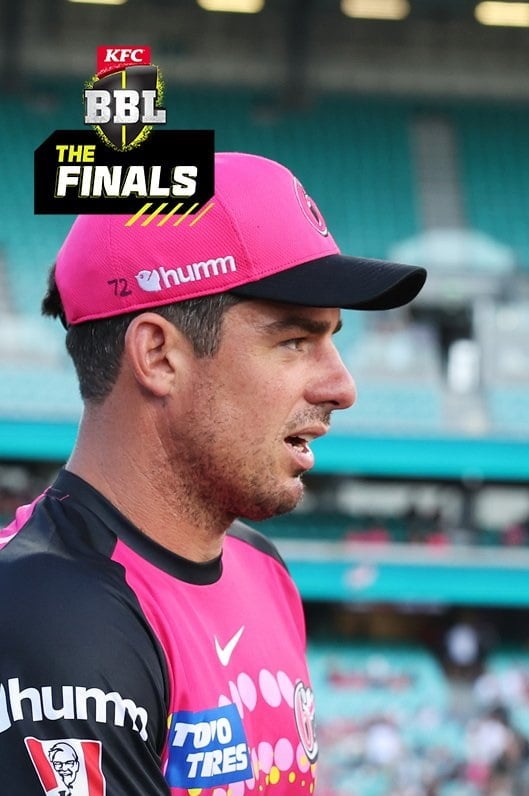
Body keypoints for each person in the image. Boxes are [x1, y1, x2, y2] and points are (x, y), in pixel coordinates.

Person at [0, 152, 427, 794]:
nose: (343, 386)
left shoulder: (261, 566)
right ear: (159, 355)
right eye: (294, 340)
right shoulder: (51, 615)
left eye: (334, 338)